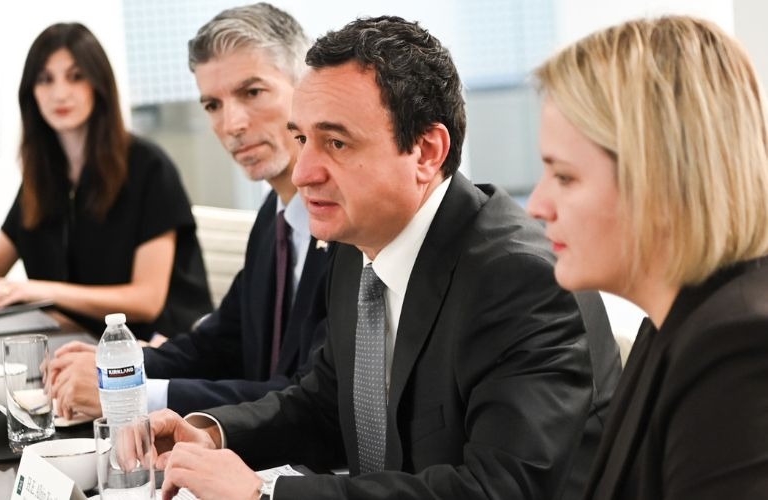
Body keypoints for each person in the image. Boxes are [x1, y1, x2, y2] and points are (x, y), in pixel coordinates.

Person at [150, 16, 607, 500]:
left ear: (426, 152)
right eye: (302, 139)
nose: (303, 173)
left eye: (336, 143)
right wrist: (213, 433)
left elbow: (498, 488)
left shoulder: (518, 279)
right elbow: (326, 402)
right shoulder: (357, 247)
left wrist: (264, 496)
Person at [47, 4, 335, 420]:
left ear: (304, 89)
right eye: (213, 105)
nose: (232, 124)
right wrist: (119, 365)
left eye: (252, 93)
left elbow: (308, 398)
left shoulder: (348, 226)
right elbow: (220, 341)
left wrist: (134, 393)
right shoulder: (274, 217)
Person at [527, 16, 768, 499]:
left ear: (660, 181)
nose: (536, 205)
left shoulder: (735, 351)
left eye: (565, 177)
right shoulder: (669, 329)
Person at [0, 23, 212, 340]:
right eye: (45, 79)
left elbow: (147, 301)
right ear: (31, 93)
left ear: (99, 85)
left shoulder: (149, 167)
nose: (59, 93)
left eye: (76, 76)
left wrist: (37, 290)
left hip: (152, 350)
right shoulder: (44, 174)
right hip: (74, 343)